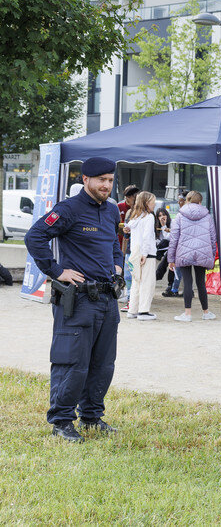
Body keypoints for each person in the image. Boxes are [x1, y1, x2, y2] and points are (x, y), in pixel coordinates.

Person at [25, 157, 124, 442]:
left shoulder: (112, 211)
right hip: (79, 301)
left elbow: (114, 245)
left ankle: (92, 416)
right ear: (86, 180)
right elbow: (35, 237)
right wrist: (57, 271)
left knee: (103, 363)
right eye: (101, 180)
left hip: (107, 298)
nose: (106, 185)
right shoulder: (68, 210)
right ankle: (61, 422)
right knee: (72, 362)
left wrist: (117, 265)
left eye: (109, 179)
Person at [168, 191, 218, 323]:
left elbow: (174, 238)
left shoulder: (179, 215)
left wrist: (171, 259)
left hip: (184, 252)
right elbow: (213, 238)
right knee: (201, 282)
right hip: (202, 252)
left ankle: (187, 313)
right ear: (200, 201)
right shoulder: (207, 216)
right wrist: (212, 255)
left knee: (188, 282)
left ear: (187, 200)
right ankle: (206, 312)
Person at [125, 191, 158, 320]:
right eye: (152, 202)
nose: (154, 204)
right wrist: (144, 253)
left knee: (136, 282)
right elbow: (147, 237)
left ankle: (132, 310)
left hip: (134, 253)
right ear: (146, 203)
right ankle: (143, 311)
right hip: (147, 253)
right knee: (147, 283)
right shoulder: (149, 217)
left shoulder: (134, 218)